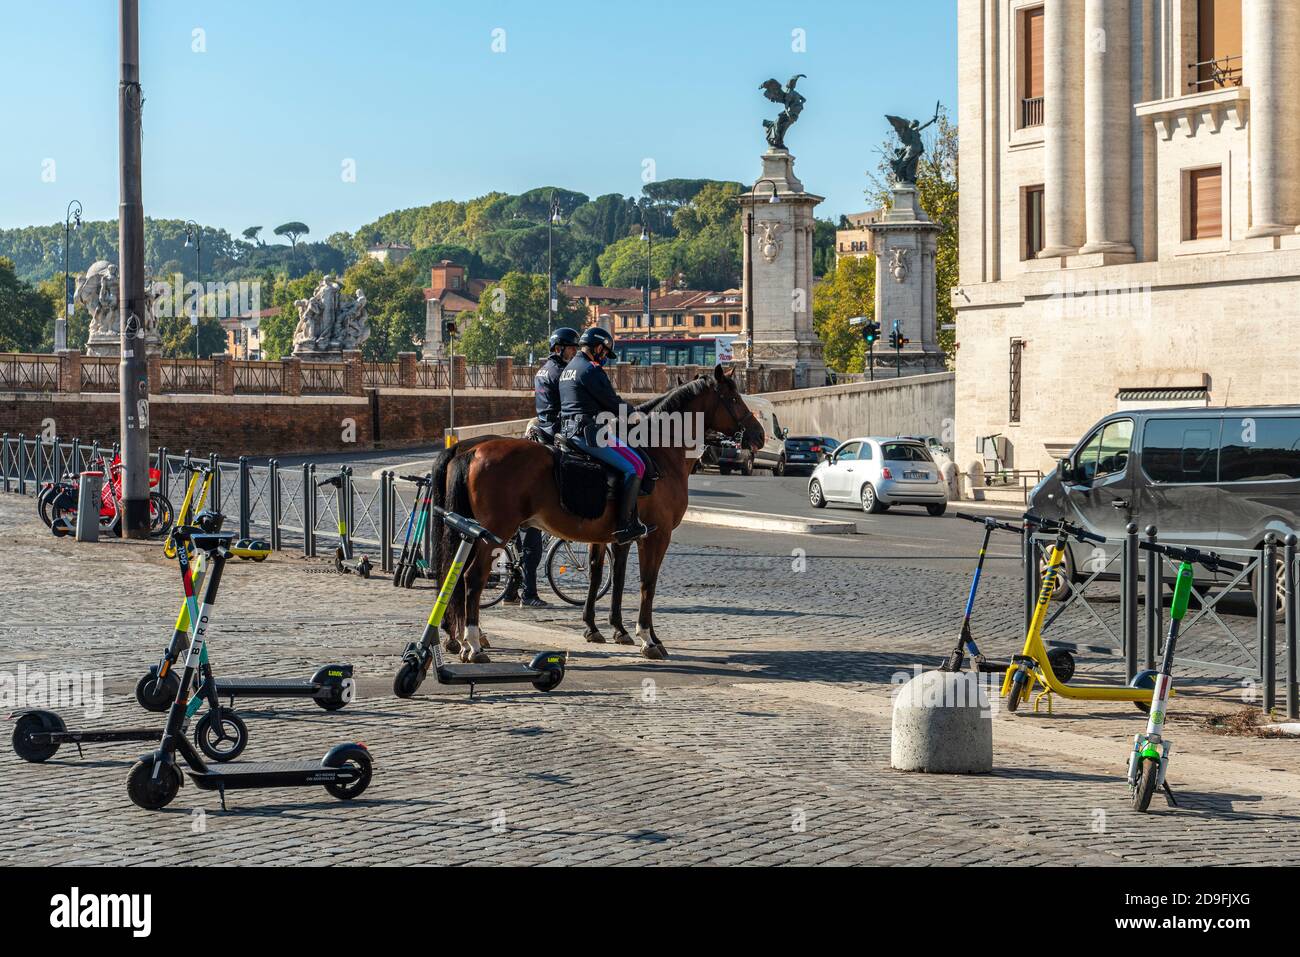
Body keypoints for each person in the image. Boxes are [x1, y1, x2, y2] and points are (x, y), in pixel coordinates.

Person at [558, 327, 654, 544]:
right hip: (589, 434)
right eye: (604, 353)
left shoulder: (569, 368)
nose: (604, 358)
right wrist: (634, 414)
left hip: (568, 432)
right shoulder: (591, 370)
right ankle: (624, 525)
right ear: (598, 347)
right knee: (636, 466)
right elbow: (612, 402)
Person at [505, 327, 580, 607]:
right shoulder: (561, 374)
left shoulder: (543, 370)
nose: (574, 353)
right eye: (571, 349)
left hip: (541, 427)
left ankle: (514, 589)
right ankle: (530, 593)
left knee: (521, 540)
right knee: (531, 541)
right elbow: (570, 405)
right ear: (559, 348)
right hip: (555, 430)